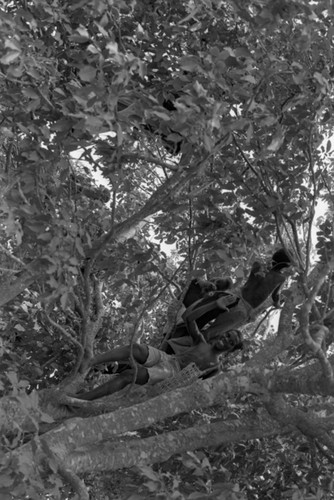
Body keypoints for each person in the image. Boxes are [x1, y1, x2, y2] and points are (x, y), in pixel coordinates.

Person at [74, 328, 243, 401]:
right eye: (227, 335)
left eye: (230, 341)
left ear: (231, 348)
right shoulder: (202, 341)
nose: (226, 339)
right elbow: (189, 317)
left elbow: (200, 388)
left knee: (129, 375)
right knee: (137, 348)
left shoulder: (215, 367)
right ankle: (93, 361)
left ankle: (83, 399)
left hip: (171, 374)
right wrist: (212, 300)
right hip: (168, 358)